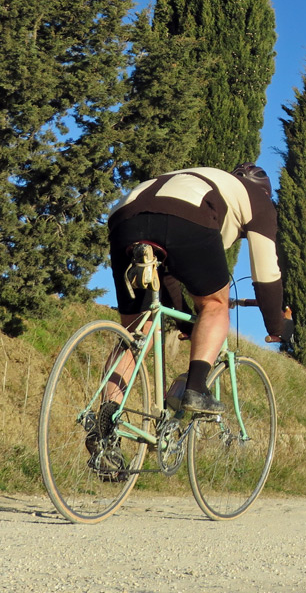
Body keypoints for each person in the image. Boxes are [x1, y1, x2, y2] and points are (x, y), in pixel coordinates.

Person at [105, 163, 293, 415]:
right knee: (215, 305)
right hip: (185, 214)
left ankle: (105, 421)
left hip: (124, 216)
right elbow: (267, 273)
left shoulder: (207, 179)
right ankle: (195, 388)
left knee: (138, 330)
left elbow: (169, 276)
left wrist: (188, 326)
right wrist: (278, 326)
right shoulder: (259, 200)